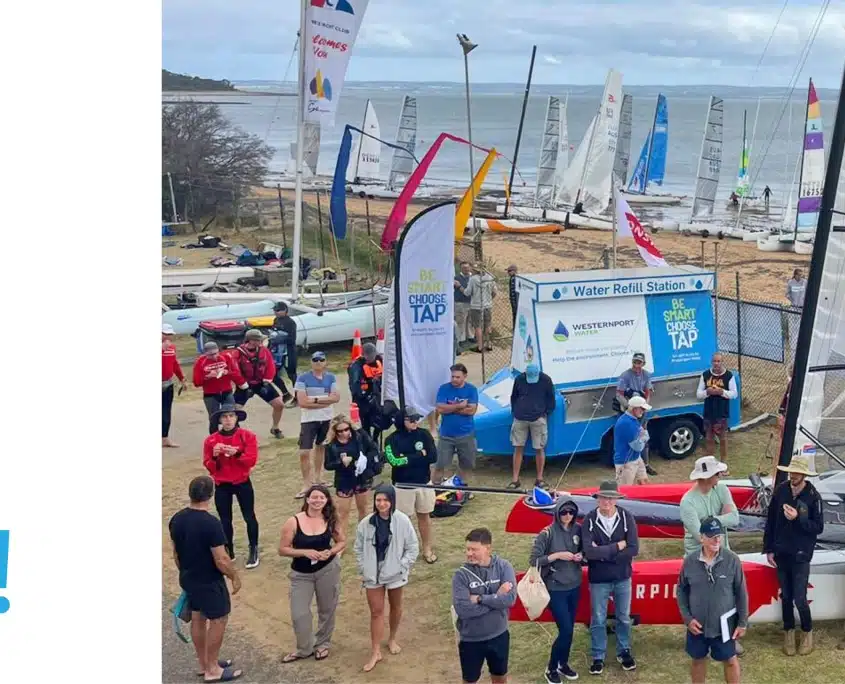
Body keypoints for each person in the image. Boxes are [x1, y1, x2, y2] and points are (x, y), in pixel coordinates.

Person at [169, 475, 243, 682]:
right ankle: (213, 669)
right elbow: (221, 559)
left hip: (189, 577)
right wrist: (234, 576)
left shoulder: (176, 519)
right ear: (211, 495)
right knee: (219, 619)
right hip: (209, 581)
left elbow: (176, 553)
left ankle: (204, 663)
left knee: (198, 618)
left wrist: (185, 573)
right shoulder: (211, 523)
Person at [762, 454, 825, 656]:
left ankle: (807, 631)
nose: (793, 476)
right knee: (786, 596)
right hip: (782, 552)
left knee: (799, 597)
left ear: (804, 475)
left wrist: (799, 518)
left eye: (797, 473)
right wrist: (769, 548)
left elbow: (818, 527)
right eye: (791, 472)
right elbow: (771, 521)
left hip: (801, 554)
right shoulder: (781, 491)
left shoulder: (813, 496)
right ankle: (788, 631)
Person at [354, 483, 419, 672]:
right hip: (372, 574)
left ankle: (392, 638)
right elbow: (358, 548)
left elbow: (412, 547)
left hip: (395, 573)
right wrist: (364, 567)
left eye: (385, 500)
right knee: (376, 611)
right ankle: (375, 651)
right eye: (378, 500)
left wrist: (402, 565)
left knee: (396, 606)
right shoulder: (366, 523)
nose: (381, 504)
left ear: (392, 501)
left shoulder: (402, 520)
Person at [278, 484, 346, 664]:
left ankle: (323, 643)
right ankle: (304, 648)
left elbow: (341, 542)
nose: (317, 500)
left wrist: (331, 552)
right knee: (299, 613)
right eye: (314, 497)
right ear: (307, 499)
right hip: (301, 574)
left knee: (327, 609)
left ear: (326, 500)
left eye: (321, 498)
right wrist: (304, 552)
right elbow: (282, 549)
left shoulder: (330, 519)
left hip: (328, 570)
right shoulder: (293, 521)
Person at [677, 517, 748, 684]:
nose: (716, 540)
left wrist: (742, 623)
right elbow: (681, 590)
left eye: (719, 536)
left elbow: (741, 592)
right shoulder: (690, 561)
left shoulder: (732, 560)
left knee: (730, 660)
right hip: (697, 625)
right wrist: (688, 619)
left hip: (724, 625)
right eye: (711, 536)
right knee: (697, 660)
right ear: (701, 537)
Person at [581, 480, 639, 675]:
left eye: (610, 498)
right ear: (597, 498)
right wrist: (617, 547)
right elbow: (589, 552)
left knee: (623, 617)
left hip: (622, 576)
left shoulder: (626, 517)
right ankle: (598, 656)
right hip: (599, 579)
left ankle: (624, 651)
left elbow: (633, 548)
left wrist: (603, 553)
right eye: (603, 497)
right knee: (598, 618)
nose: (607, 501)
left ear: (616, 499)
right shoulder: (589, 520)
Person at [452, 527, 517, 684]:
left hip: (499, 635)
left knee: (500, 678)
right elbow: (463, 610)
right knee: (470, 680)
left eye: (474, 549)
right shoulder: (460, 576)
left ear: (488, 548)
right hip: (471, 640)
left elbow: (510, 600)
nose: (469, 553)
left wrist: (480, 599)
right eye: (467, 549)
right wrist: (497, 598)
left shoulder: (504, 567)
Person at [529, 498, 583, 683]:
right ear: (557, 513)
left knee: (569, 629)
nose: (568, 516)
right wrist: (557, 556)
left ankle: (563, 663)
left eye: (571, 512)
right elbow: (534, 560)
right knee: (565, 630)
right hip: (555, 588)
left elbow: (585, 550)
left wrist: (581, 555)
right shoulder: (547, 533)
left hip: (574, 585)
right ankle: (551, 667)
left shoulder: (578, 529)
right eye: (563, 512)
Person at [202, 404, 260, 570]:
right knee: (225, 519)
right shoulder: (211, 440)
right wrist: (215, 456)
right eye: (224, 416)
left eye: (231, 416)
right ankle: (229, 550)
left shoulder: (247, 436)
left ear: (236, 418)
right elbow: (210, 467)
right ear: (220, 420)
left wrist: (237, 453)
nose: (228, 420)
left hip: (242, 482)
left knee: (249, 516)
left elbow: (251, 460)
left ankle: (253, 549)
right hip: (222, 484)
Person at [386, 407, 439, 564]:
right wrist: (419, 455)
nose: (416, 422)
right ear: (401, 421)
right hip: (402, 486)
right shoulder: (391, 439)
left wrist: (407, 458)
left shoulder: (424, 434)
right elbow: (394, 461)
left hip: (424, 484)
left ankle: (427, 548)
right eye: (411, 419)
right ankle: (403, 550)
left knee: (425, 516)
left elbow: (433, 456)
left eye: (417, 419)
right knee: (402, 521)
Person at [294, 351, 340, 499]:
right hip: (308, 420)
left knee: (321, 447)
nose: (318, 362)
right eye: (315, 360)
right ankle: (306, 483)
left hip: (326, 418)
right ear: (311, 362)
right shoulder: (302, 378)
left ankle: (318, 478)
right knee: (304, 452)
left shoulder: (331, 377)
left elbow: (336, 398)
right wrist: (324, 401)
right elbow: (302, 402)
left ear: (325, 362)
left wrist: (313, 400)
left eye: (321, 360)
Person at [323, 414, 380, 533]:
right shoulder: (331, 444)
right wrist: (341, 462)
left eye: (346, 429)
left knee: (363, 510)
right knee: (342, 513)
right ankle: (341, 540)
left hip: (361, 478)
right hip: (344, 480)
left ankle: (363, 536)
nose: (344, 433)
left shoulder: (359, 436)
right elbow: (328, 465)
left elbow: (373, 449)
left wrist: (363, 460)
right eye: (340, 431)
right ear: (335, 431)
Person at [231, 329, 286, 439]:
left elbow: (270, 366)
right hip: (245, 385)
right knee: (234, 410)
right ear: (250, 340)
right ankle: (235, 430)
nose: (260, 342)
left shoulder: (264, 351)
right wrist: (243, 384)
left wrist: (267, 380)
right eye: (257, 340)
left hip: (262, 383)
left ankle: (275, 428)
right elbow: (234, 370)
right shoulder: (238, 353)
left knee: (279, 404)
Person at [509, 363, 556, 490]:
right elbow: (514, 397)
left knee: (539, 448)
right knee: (518, 448)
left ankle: (539, 479)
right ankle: (515, 479)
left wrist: (544, 414)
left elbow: (551, 399)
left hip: (538, 418)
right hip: (520, 418)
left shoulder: (546, 380)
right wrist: (515, 411)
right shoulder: (519, 379)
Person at [433, 363, 479, 485]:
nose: (454, 379)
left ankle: (460, 485)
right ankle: (435, 486)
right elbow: (440, 409)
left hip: (466, 434)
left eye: (457, 377)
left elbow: (471, 411)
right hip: (446, 435)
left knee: (467, 464)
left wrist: (449, 408)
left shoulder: (471, 390)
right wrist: (459, 406)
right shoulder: (444, 389)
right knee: (440, 464)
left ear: (465, 376)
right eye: (452, 376)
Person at [616, 352, 657, 476]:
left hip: (641, 410)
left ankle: (645, 464)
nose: (636, 365)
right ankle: (626, 463)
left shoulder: (646, 375)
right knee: (629, 438)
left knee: (643, 437)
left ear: (643, 363)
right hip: (629, 410)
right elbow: (619, 394)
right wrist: (630, 407)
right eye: (635, 362)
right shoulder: (625, 375)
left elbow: (648, 392)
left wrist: (644, 406)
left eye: (639, 362)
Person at [194, 341, 247, 435]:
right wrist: (207, 377)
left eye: (215, 353)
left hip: (226, 391)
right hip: (210, 394)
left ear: (218, 351)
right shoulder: (200, 362)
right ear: (205, 353)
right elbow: (196, 382)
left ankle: (237, 437)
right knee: (213, 418)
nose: (214, 357)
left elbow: (236, 373)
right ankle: (213, 440)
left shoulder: (226, 357)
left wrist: (227, 372)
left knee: (232, 416)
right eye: (210, 355)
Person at [696, 352, 738, 466]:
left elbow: (734, 394)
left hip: (722, 412)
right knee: (709, 438)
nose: (716, 363)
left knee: (723, 438)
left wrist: (722, 392)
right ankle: (710, 463)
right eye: (714, 361)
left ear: (722, 362)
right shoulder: (705, 375)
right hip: (708, 412)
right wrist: (707, 392)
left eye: (719, 361)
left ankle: (723, 462)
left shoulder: (728, 376)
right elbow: (698, 394)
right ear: (711, 362)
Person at [347, 342, 385, 441]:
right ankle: (368, 443)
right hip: (363, 399)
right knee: (365, 425)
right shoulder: (356, 366)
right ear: (363, 355)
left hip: (377, 396)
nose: (371, 359)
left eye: (373, 356)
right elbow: (354, 385)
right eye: (368, 357)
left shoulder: (380, 360)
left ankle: (375, 438)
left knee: (381, 421)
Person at [612, 395, 651, 485]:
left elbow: (643, 434)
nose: (643, 411)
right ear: (634, 409)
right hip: (626, 462)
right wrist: (644, 437)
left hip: (635, 458)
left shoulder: (632, 420)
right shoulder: (627, 423)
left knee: (644, 482)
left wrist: (643, 436)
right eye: (642, 409)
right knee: (624, 490)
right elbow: (638, 447)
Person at [462, 264, 498, 353]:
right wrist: (489, 299)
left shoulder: (473, 279)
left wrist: (460, 287)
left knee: (477, 327)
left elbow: (467, 293)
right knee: (487, 325)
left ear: (475, 270)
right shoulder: (490, 278)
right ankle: (488, 344)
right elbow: (494, 292)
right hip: (487, 305)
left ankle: (480, 347)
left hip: (476, 306)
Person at [162, 323, 187, 448]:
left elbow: (174, 364)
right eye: (165, 334)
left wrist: (181, 378)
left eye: (170, 334)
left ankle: (165, 438)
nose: (168, 337)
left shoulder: (172, 347)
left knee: (166, 411)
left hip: (167, 382)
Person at [271, 300, 298, 404]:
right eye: (275, 310)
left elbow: (292, 339)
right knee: (272, 374)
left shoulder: (290, 322)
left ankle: (298, 397)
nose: (276, 312)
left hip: (289, 352)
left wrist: (279, 338)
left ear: (285, 310)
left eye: (278, 310)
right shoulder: (276, 320)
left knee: (292, 375)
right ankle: (286, 393)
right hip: (277, 352)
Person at [454, 261, 473, 348]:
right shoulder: (456, 278)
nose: (466, 269)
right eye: (464, 268)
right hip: (460, 302)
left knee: (470, 321)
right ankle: (461, 339)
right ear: (461, 268)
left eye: (467, 267)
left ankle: (470, 336)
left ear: (470, 268)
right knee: (460, 321)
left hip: (471, 302)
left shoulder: (472, 277)